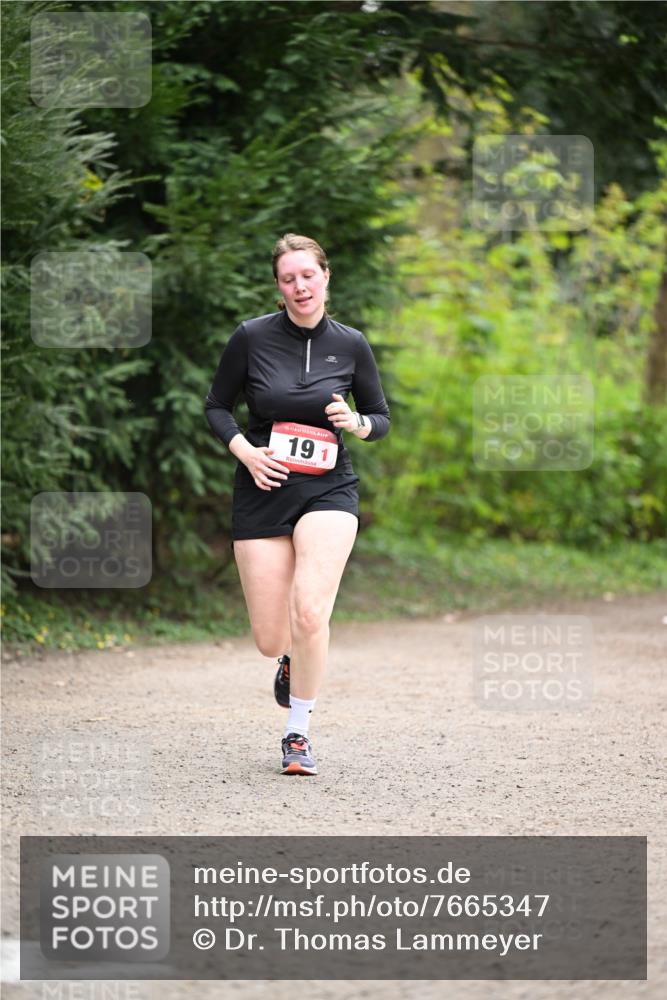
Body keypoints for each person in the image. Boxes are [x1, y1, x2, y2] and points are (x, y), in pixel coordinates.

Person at [204, 233, 390, 775]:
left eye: (308, 275)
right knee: (271, 637)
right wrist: (246, 452)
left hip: (328, 487)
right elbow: (217, 406)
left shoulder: (351, 343)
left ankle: (298, 733)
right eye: (289, 279)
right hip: (263, 485)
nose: (300, 286)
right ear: (279, 286)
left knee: (310, 611)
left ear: (325, 276)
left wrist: (356, 423)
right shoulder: (252, 337)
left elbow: (380, 418)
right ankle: (288, 660)